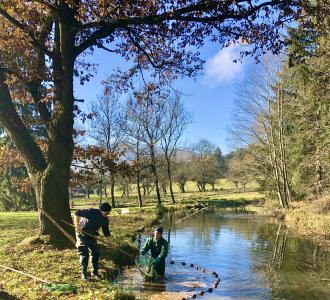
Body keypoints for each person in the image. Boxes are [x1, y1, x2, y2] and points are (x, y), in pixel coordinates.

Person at [74, 203, 111, 281]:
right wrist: (77, 225)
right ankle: (83, 274)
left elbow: (106, 231)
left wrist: (110, 242)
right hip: (82, 233)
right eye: (106, 212)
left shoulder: (105, 219)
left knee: (96, 252)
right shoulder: (91, 211)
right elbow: (76, 213)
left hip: (92, 235)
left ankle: (94, 273)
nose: (107, 214)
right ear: (101, 210)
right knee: (84, 253)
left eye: (109, 212)